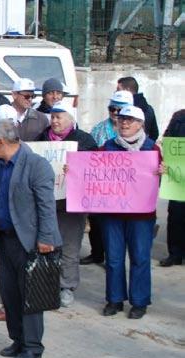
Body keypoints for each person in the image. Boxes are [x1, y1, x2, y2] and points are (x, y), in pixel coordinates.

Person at [0, 119, 60, 358]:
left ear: (1, 142)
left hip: (30, 242)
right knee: (10, 294)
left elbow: (46, 206)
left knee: (30, 296)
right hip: (4, 239)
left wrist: (46, 238)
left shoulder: (36, 165)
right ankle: (17, 339)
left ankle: (33, 346)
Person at [99, 106, 163, 319]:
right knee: (114, 258)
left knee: (140, 257)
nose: (125, 123)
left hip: (141, 215)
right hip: (113, 214)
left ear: (141, 124)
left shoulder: (152, 149)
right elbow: (90, 172)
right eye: (121, 119)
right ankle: (114, 299)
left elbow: (162, 181)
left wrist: (163, 172)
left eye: (130, 120)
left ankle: (139, 301)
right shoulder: (107, 147)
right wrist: (73, 171)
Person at [35, 101, 97, 307]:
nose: (54, 121)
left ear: (71, 119)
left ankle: (67, 286)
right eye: (52, 117)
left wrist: (77, 168)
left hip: (72, 204)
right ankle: (46, 284)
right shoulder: (42, 139)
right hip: (47, 202)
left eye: (59, 117)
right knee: (46, 244)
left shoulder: (84, 140)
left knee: (70, 246)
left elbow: (94, 169)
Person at [85, 90, 134, 267]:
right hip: (101, 183)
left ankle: (115, 257)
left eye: (119, 109)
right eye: (112, 108)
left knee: (118, 225)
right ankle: (96, 253)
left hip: (124, 187)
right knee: (97, 222)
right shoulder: (98, 129)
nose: (114, 113)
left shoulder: (136, 132)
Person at [160, 109, 185, 267]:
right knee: (176, 216)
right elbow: (167, 138)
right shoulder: (179, 117)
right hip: (177, 178)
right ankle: (175, 254)